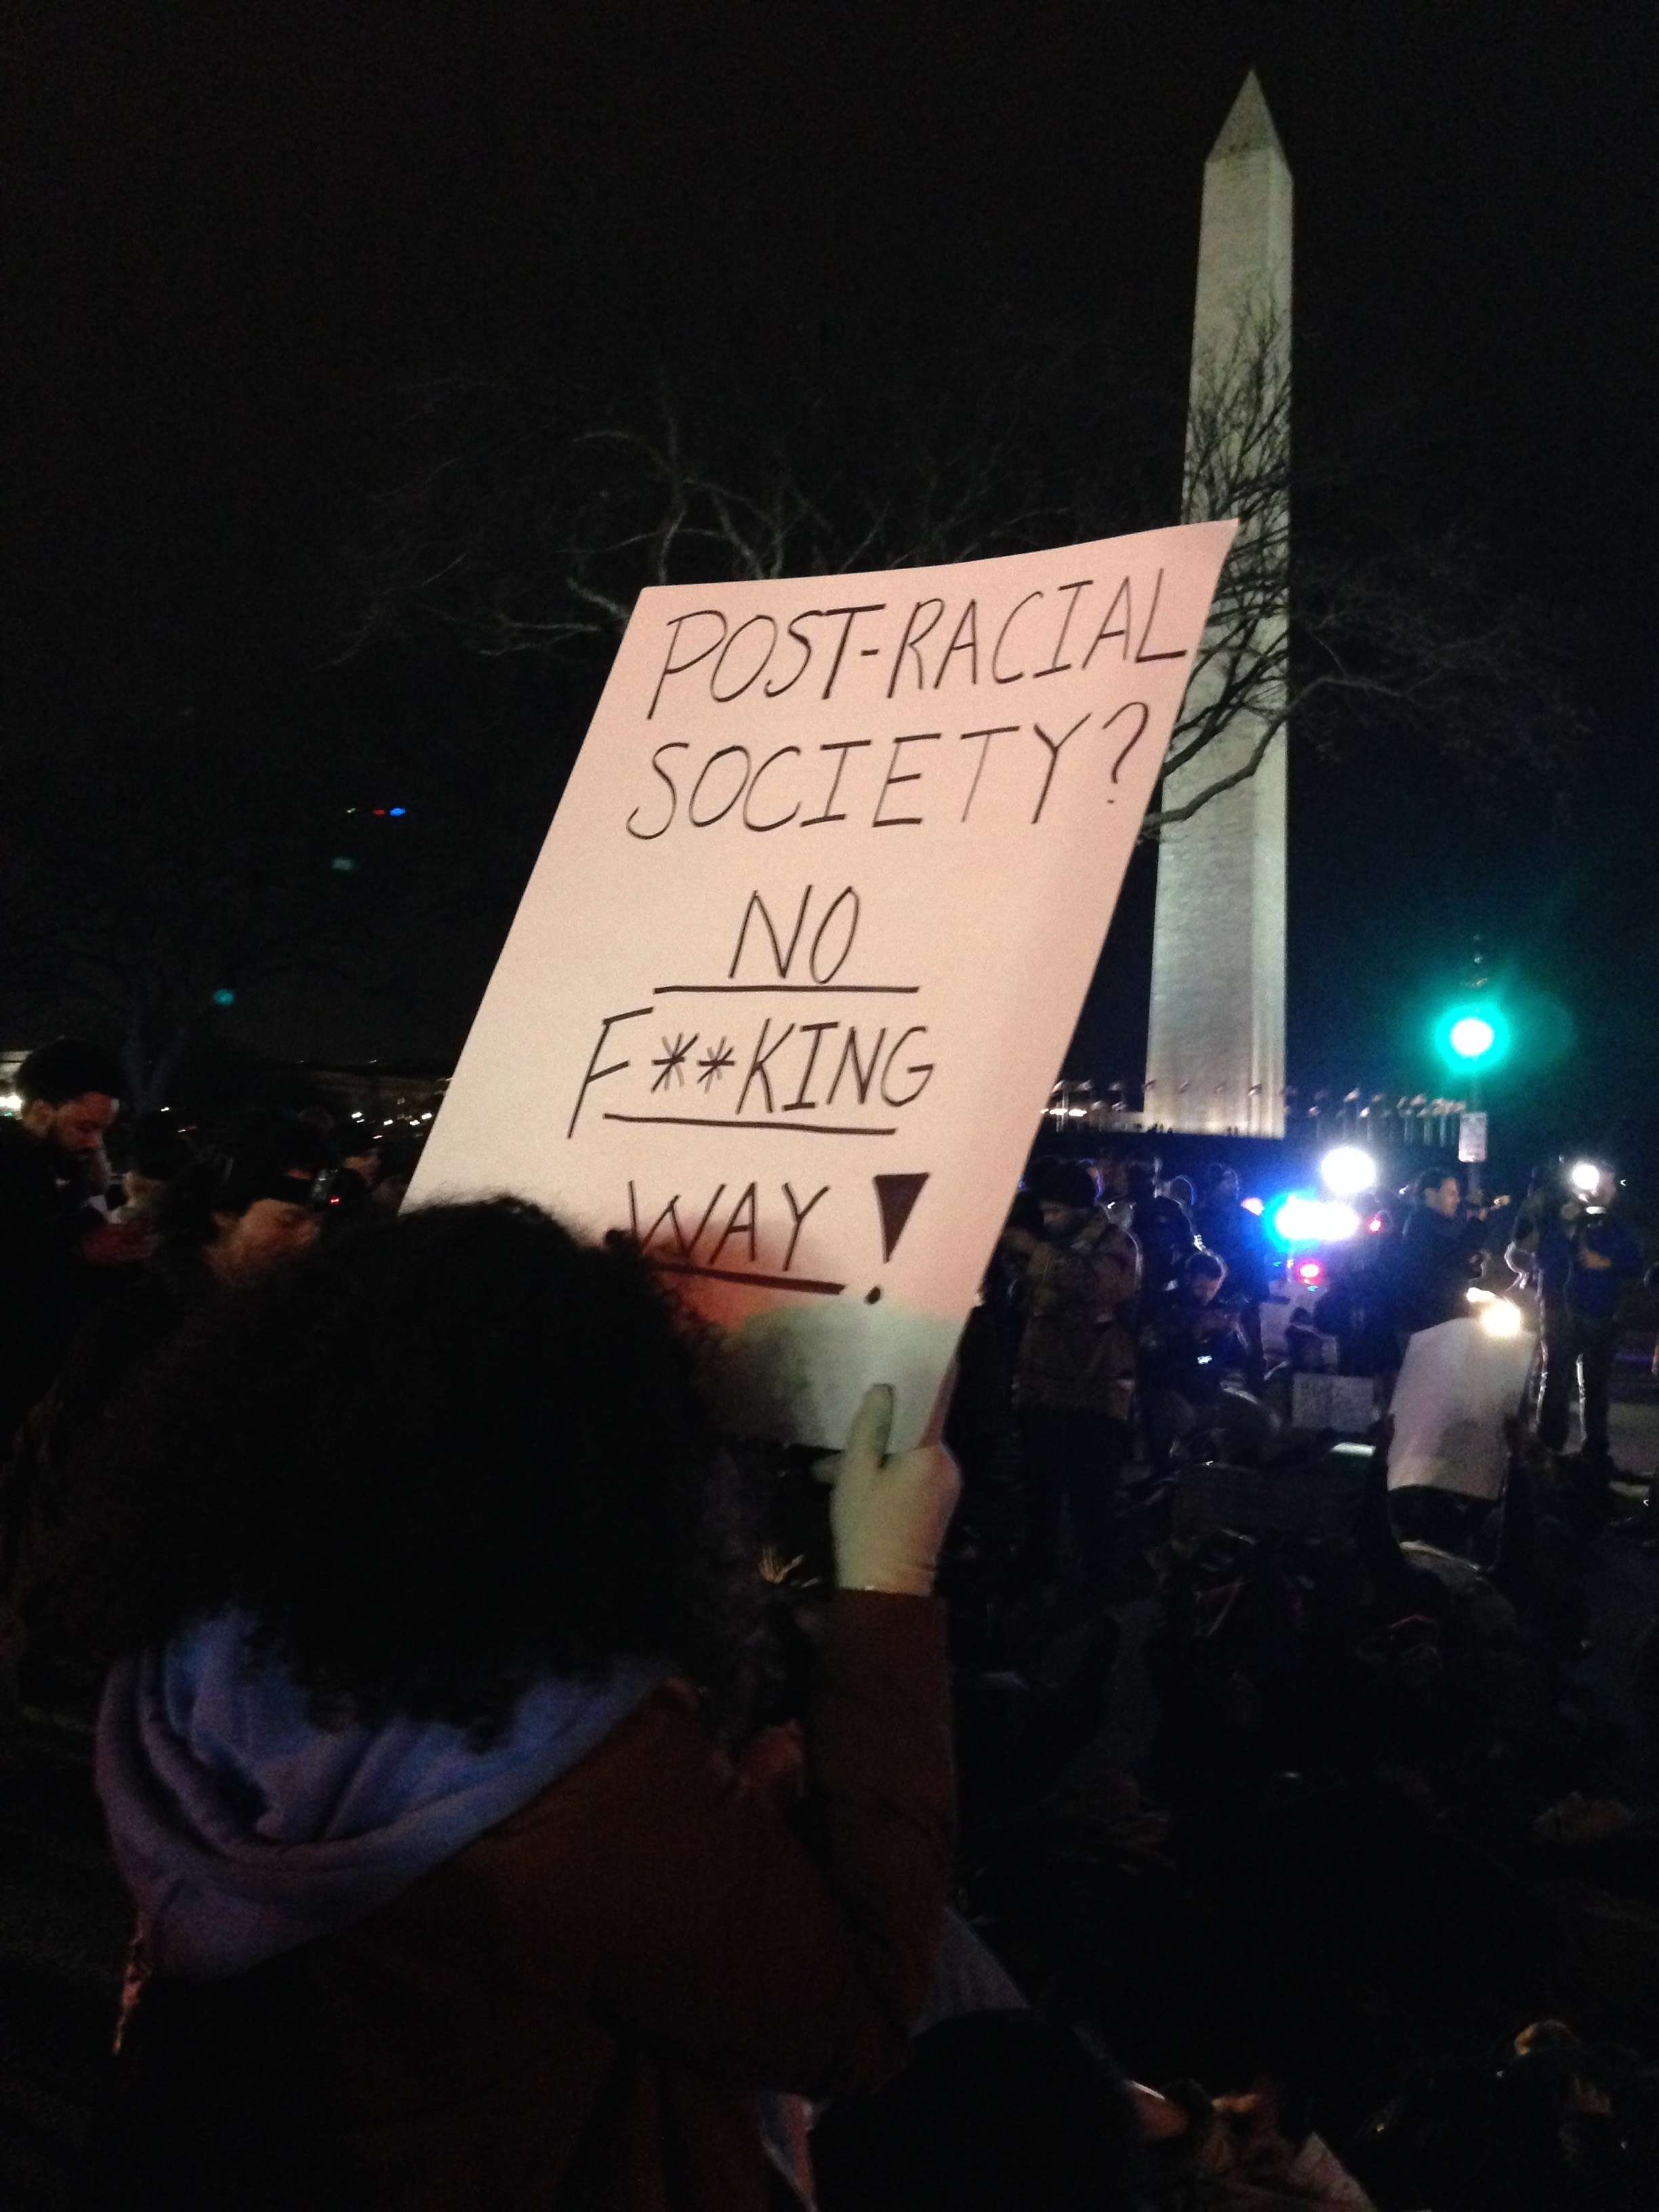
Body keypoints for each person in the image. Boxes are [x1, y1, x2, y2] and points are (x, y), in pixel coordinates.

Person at [81, 1200, 958, 2210]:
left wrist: (711, 1818)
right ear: (594, 1461)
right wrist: (891, 1586)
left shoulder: (188, 1651)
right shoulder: (573, 1775)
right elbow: (854, 2025)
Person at [0, 1112, 331, 1744]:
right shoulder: (147, 1325)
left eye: (316, 1222)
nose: (309, 1240)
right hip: (108, 1632)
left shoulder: (257, 1319)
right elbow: (86, 1484)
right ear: (222, 1214)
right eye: (288, 1221)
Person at [1002, 1160, 1141, 1584]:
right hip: (1042, 1392)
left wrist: (1033, 1252)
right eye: (1045, 1212)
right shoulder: (1052, 1244)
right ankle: (1036, 1574)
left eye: (1057, 1212)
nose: (1049, 1220)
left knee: (1091, 1499)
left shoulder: (1117, 1244)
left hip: (1093, 1394)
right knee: (1039, 1494)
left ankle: (1098, 1584)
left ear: (1081, 1210)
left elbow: (1099, 1285)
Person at [0, 1038, 133, 1453]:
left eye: (102, 1131)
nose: (95, 1143)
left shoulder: (63, 1169)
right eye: (85, 1127)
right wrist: (82, 1255)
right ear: (41, 1111)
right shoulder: (12, 1172)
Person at [1513, 1166, 1642, 1471]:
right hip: (1560, 1306)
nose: (1602, 1187)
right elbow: (1538, 1254)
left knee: (1595, 1384)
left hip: (1602, 1311)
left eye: (1608, 1182)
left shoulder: (1618, 1223)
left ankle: (1595, 1451)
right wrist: (1566, 1223)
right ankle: (1548, 1448)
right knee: (1556, 1376)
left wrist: (1607, 1262)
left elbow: (1635, 1265)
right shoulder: (1559, 1212)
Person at [1193, 1163, 1271, 1378]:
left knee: (1253, 1350)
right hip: (1210, 1293)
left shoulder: (1247, 1219)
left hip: (1243, 1292)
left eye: (1235, 1181)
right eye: (1228, 1181)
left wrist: (1250, 1293)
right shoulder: (1199, 1217)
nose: (1234, 1186)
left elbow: (1258, 1256)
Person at [1395, 1167, 1486, 1336]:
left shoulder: (1438, 1223)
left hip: (1440, 1314)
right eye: (1451, 1194)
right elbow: (1452, 1256)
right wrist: (1478, 1223)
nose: (1458, 1200)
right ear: (1430, 1193)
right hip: (1428, 1319)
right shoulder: (1422, 1224)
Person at [1124, 1156, 1194, 1315]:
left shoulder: (1170, 1209)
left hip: (1159, 1288)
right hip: (1123, 1288)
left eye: (1148, 1171)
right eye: (1138, 1171)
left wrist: (1169, 1275)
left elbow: (1189, 1248)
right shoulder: (1119, 1208)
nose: (1143, 1177)